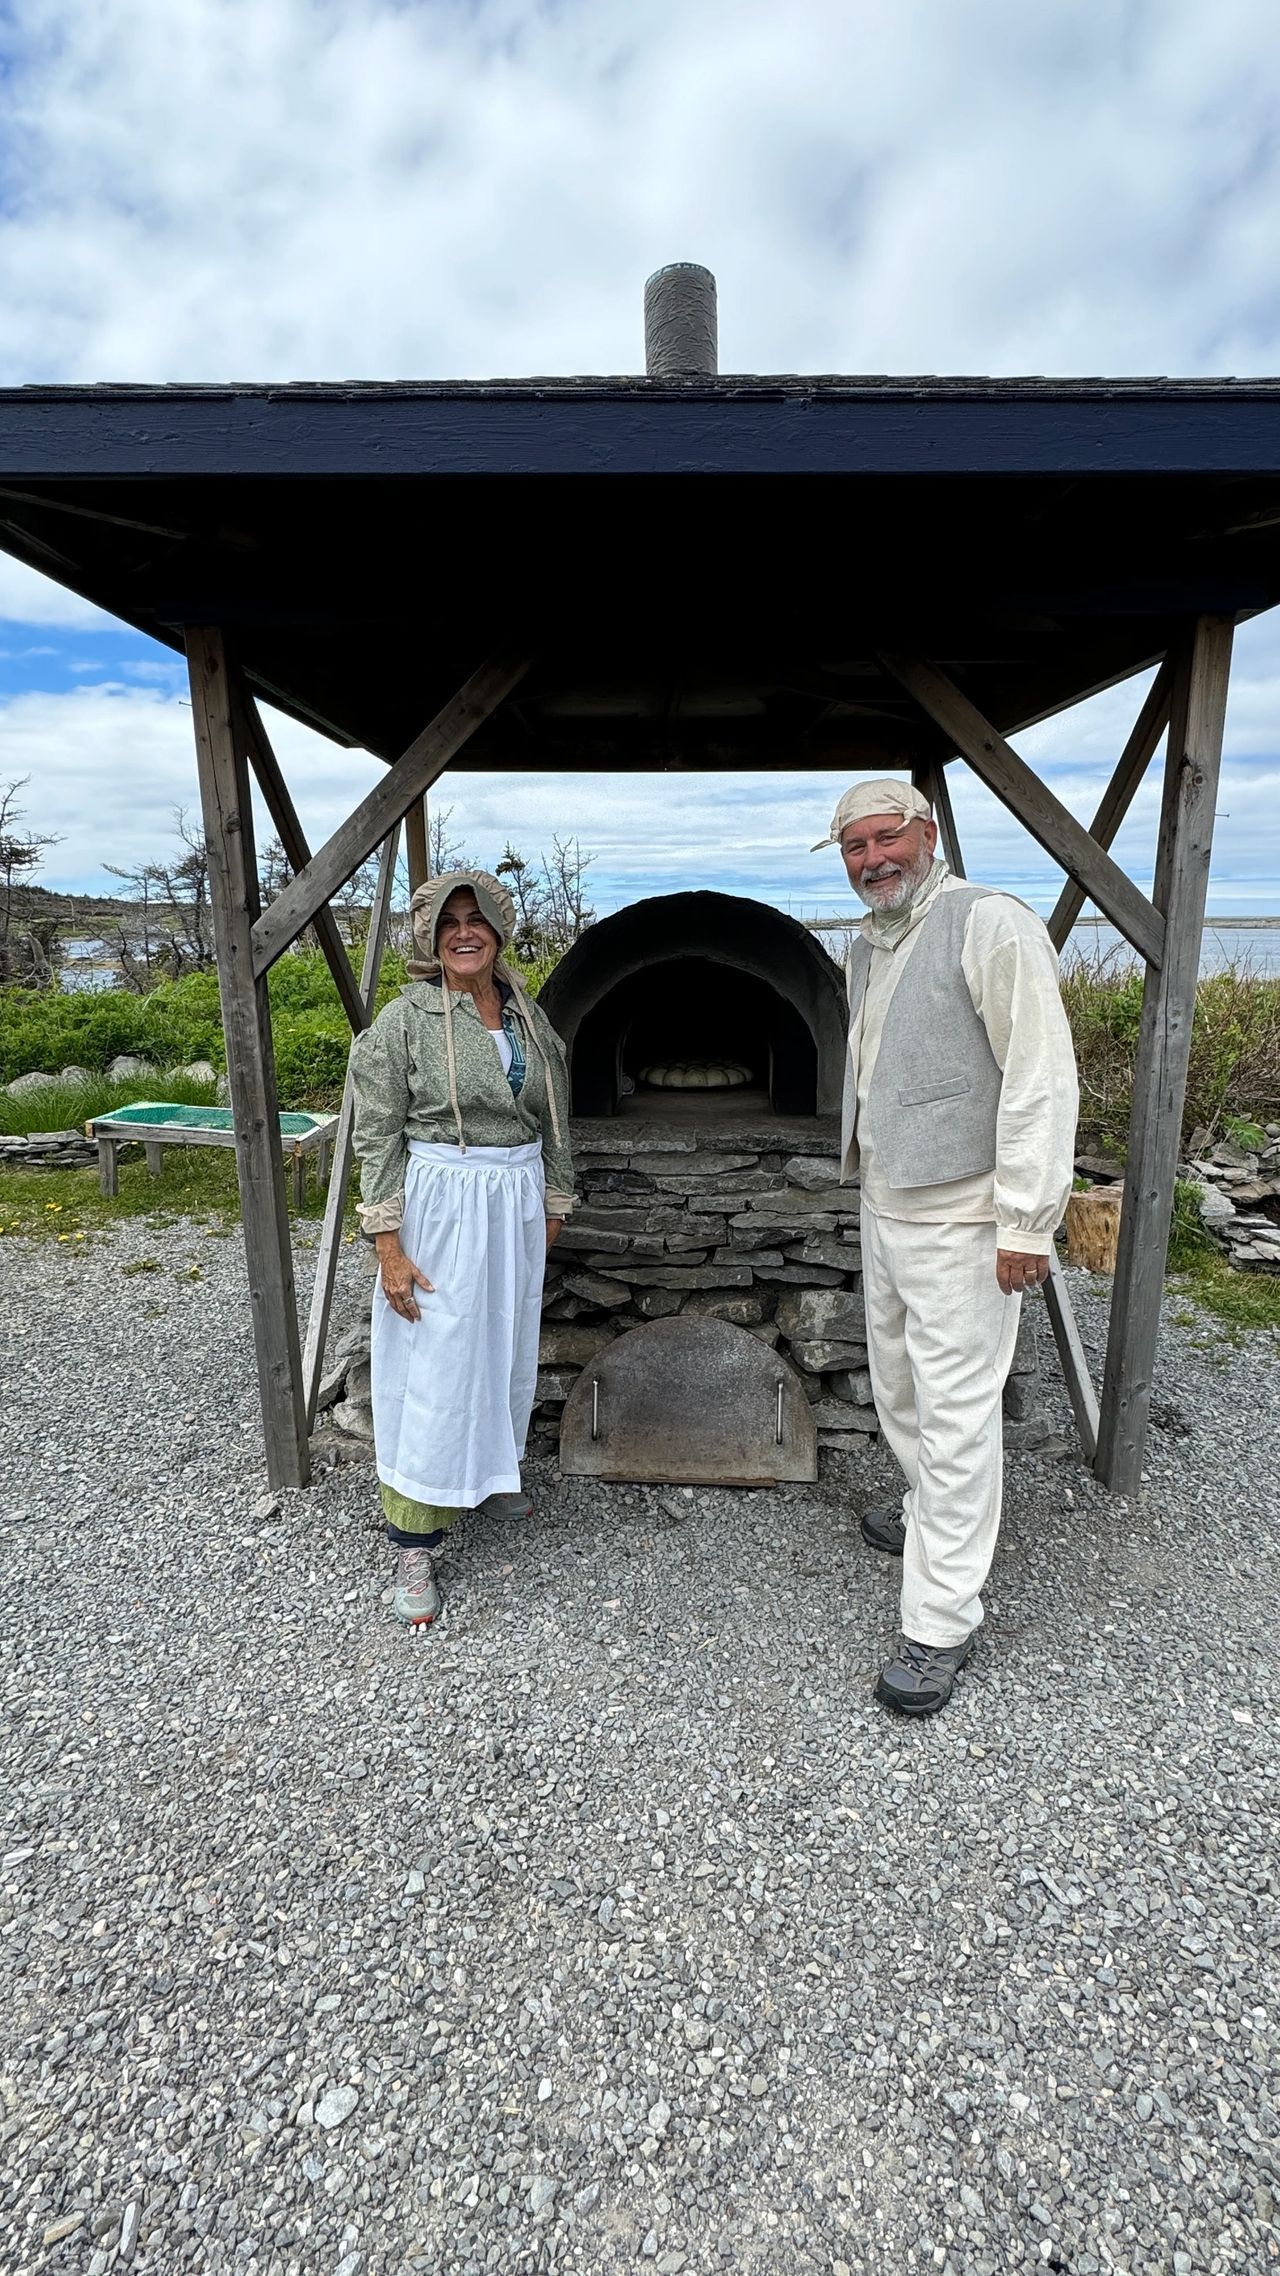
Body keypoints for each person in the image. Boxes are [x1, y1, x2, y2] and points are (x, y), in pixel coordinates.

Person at [812, 779, 1078, 1715]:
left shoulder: (990, 924)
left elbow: (1042, 1079)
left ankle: (939, 1623)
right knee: (901, 1384)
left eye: (887, 839)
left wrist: (1025, 1224)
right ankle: (931, 1513)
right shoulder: (870, 944)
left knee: (960, 1410)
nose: (873, 860)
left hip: (967, 1217)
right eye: (855, 849)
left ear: (926, 832)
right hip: (891, 1205)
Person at [349, 869, 575, 1629]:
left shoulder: (526, 1018)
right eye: (449, 923)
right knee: (435, 1358)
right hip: (442, 1198)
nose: (464, 933)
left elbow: (555, 1115)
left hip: (512, 1200)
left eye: (477, 919)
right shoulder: (405, 1021)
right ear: (429, 936)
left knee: (502, 1344)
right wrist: (388, 1244)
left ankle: (488, 1474)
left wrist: (554, 1199)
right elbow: (378, 1131)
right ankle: (414, 1540)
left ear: (500, 929)